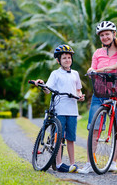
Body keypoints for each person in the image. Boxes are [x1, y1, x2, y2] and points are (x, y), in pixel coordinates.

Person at [78, 21, 117, 174]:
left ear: (114, 34)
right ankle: (89, 163)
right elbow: (93, 68)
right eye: (102, 35)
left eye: (107, 34)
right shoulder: (98, 53)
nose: (105, 37)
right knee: (93, 129)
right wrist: (91, 70)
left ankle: (113, 162)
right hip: (100, 93)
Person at [34, 44, 85, 173]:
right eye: (64, 58)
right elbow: (47, 89)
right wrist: (41, 84)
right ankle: (59, 163)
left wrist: (80, 96)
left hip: (72, 111)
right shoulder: (55, 74)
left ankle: (73, 164)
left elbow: (78, 90)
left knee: (71, 138)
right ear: (58, 60)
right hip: (59, 110)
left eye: (69, 57)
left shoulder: (75, 74)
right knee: (58, 137)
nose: (67, 60)